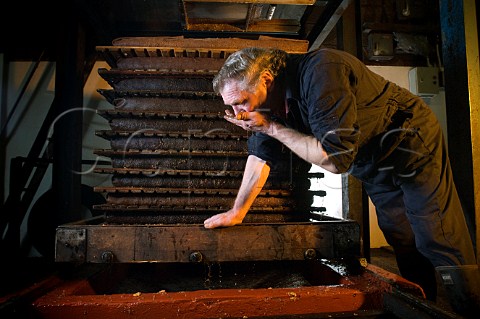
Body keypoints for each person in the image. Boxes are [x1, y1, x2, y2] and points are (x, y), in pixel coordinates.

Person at [202, 47, 478, 307]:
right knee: (400, 234)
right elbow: (261, 156)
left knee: (435, 232)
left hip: (409, 143)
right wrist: (238, 211)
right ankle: (424, 306)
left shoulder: (322, 72)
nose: (239, 114)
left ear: (265, 80)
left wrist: (273, 128)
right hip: (370, 160)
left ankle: (469, 306)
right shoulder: (266, 104)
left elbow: (335, 161)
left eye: (240, 103)